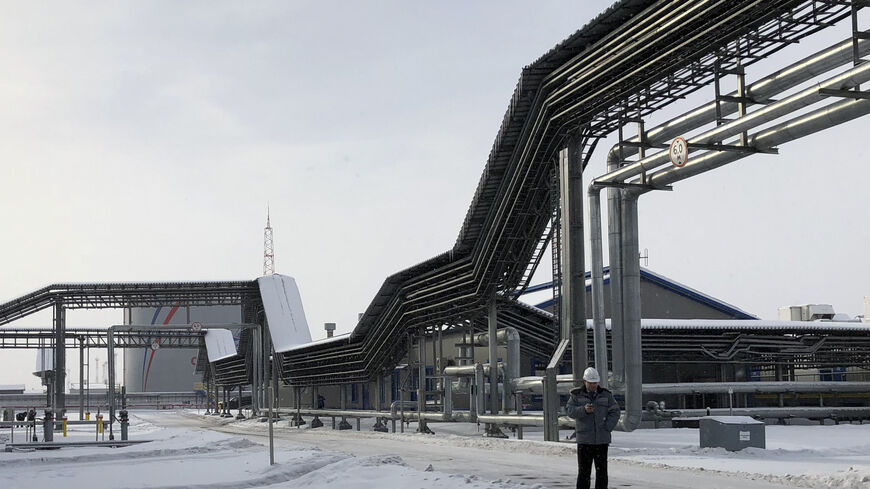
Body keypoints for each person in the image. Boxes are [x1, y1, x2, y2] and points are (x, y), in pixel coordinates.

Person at [566, 367, 620, 489]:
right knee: (584, 472)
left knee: (602, 473)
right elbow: (570, 411)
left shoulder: (606, 395)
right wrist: (583, 410)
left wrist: (607, 427)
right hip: (585, 440)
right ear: (585, 381)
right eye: (590, 383)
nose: (593, 386)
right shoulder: (576, 395)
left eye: (595, 383)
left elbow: (615, 411)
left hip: (601, 439)